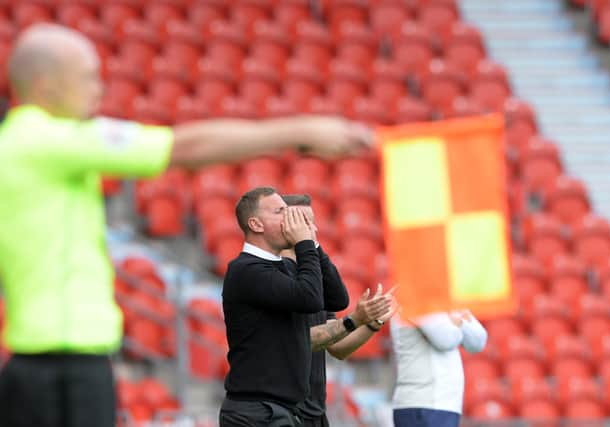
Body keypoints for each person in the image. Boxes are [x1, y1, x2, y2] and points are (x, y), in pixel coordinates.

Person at [0, 24, 372, 427]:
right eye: (88, 77)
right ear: (44, 84)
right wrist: (301, 130)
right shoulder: (47, 139)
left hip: (39, 361)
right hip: (65, 367)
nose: (99, 89)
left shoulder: (23, 144)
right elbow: (183, 147)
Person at [220, 188, 390, 427]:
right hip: (257, 412)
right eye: (281, 212)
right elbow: (309, 299)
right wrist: (304, 243)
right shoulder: (245, 270)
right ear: (256, 224)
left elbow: (337, 299)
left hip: (280, 411)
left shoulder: (282, 268)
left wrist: (314, 243)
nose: (292, 220)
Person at [281, 194, 399, 427]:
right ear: (284, 227)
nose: (313, 229)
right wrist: (355, 319)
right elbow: (298, 341)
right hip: (280, 413)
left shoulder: (316, 280)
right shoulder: (270, 279)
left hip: (315, 411)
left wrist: (373, 323)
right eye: (304, 222)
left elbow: (336, 348)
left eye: (312, 222)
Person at [391, 310, 488, 427]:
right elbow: (446, 339)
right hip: (423, 404)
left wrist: (456, 322)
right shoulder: (417, 298)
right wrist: (457, 321)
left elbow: (478, 342)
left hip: (441, 404)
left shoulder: (443, 301)